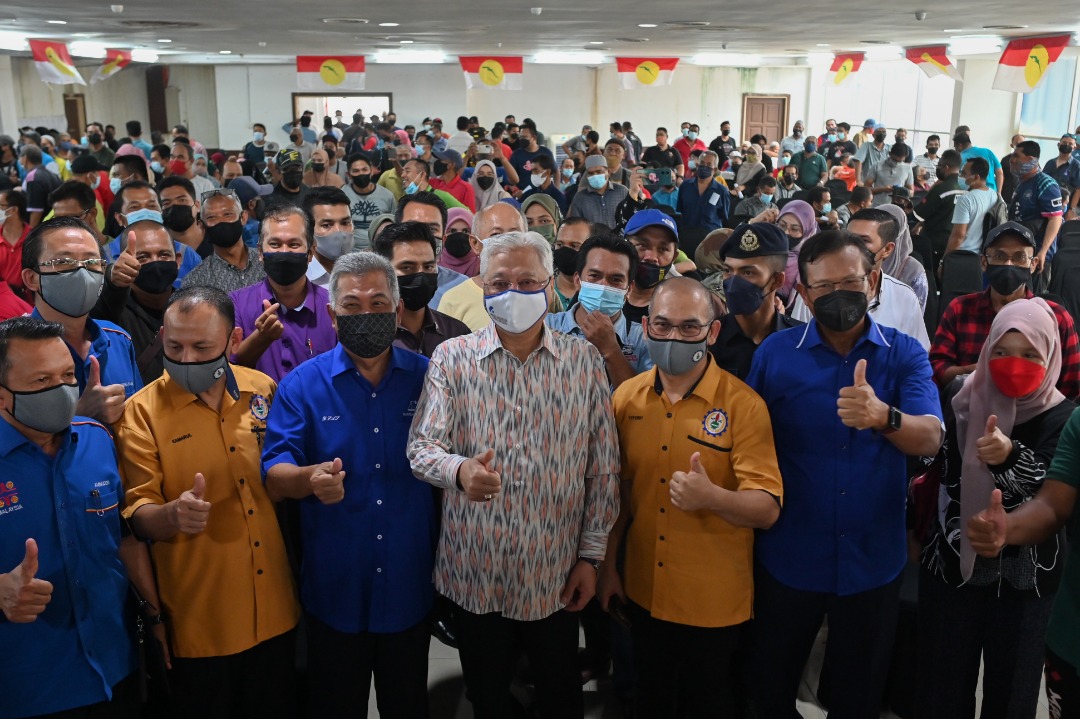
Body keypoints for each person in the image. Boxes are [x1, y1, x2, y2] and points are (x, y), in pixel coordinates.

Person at [408, 230, 619, 719]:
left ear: (550, 286)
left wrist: (591, 558)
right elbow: (420, 449)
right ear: (483, 286)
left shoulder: (583, 361)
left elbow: (603, 469)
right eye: (500, 282)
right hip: (475, 571)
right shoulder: (452, 358)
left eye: (527, 282)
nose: (512, 293)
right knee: (488, 698)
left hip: (554, 573)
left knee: (559, 696)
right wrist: (459, 470)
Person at [746, 230, 944, 719]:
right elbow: (747, 444)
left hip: (872, 558)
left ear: (873, 281)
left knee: (858, 696)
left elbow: (931, 438)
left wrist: (884, 416)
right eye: (824, 287)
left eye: (851, 282)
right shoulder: (775, 354)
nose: (839, 295)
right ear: (805, 293)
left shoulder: (903, 353)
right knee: (770, 686)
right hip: (790, 554)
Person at [261, 250, 436, 717]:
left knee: (408, 705)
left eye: (378, 304)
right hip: (334, 588)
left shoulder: (430, 379)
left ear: (397, 311)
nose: (366, 314)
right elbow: (275, 474)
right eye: (352, 306)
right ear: (333, 315)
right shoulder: (301, 385)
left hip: (408, 584)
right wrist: (308, 479)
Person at [599, 277, 782, 717]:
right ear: (646, 327)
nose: (674, 338)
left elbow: (767, 509)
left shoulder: (743, 406)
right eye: (662, 325)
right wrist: (608, 568)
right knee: (651, 698)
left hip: (713, 602)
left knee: (708, 702)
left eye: (689, 327)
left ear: (712, 332)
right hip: (644, 589)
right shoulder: (626, 398)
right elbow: (619, 494)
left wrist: (713, 497)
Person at [117, 286, 301, 718]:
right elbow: (138, 516)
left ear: (234, 340)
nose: (187, 359)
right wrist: (172, 515)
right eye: (174, 347)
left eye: (202, 348)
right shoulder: (140, 414)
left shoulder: (263, 391)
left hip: (276, 609)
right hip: (200, 622)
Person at [918, 298, 1072, 719]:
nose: (1013, 363)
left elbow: (1050, 492)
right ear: (986, 349)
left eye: (1030, 355)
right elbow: (936, 470)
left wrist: (1008, 456)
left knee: (1012, 696)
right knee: (942, 688)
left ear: (1051, 356)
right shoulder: (960, 398)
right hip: (952, 567)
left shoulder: (1064, 417)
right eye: (1001, 351)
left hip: (1026, 582)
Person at [0, 316, 155, 719]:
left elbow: (124, 539)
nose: (62, 390)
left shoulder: (98, 439)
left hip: (116, 670)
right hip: (28, 686)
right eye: (41, 381)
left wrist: (155, 616)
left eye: (68, 376)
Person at [931, 222, 1080, 399]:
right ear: (984, 262)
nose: (1008, 264)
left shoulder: (1057, 318)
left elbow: (1071, 386)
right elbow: (937, 367)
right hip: (970, 407)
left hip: (1039, 413)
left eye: (1020, 257)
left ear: (1033, 264)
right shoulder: (959, 309)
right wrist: (978, 372)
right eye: (999, 256)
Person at [22, 217, 141, 424]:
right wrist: (77, 415)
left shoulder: (118, 339)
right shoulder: (11, 351)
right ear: (32, 279)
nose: (82, 272)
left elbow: (142, 418)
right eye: (63, 262)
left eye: (92, 262)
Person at [791, 207, 931, 347]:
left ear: (887, 249)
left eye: (863, 241)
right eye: (848, 238)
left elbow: (919, 351)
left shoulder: (904, 297)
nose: (851, 248)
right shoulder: (816, 288)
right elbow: (798, 341)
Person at [230, 205, 336, 381]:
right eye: (275, 244)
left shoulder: (333, 307)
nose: (284, 252)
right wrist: (261, 338)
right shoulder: (236, 303)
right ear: (260, 252)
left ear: (310, 252)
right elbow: (229, 371)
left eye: (294, 244)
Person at [546, 231, 651, 387]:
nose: (603, 286)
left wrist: (611, 350)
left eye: (616, 279)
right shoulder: (545, 327)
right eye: (594, 276)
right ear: (577, 281)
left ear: (629, 289)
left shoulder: (644, 340)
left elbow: (643, 399)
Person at [91, 219, 179, 384]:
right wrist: (112, 278)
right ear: (125, 262)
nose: (155, 262)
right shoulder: (111, 311)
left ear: (178, 260)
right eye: (143, 257)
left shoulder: (190, 308)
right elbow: (103, 304)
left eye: (164, 255)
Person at [711, 223, 804, 379]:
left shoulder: (801, 341)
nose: (733, 283)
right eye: (728, 271)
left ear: (777, 281)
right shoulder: (710, 339)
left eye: (748, 273)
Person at [375, 221, 470, 357]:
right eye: (407, 267)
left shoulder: (457, 333)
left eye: (428, 267)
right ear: (383, 272)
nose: (421, 275)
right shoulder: (371, 336)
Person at [436, 203, 526, 330]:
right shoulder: (453, 300)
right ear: (475, 243)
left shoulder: (539, 289)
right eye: (496, 235)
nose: (507, 242)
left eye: (514, 234)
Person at [181, 189, 266, 292]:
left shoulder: (268, 262)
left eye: (228, 214)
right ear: (202, 226)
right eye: (211, 217)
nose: (220, 221)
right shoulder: (195, 282)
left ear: (243, 217)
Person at [1009, 140, 1065, 281]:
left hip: (1037, 257)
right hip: (1021, 251)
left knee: (1034, 293)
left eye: (1016, 156)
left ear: (1030, 159)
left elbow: (1055, 219)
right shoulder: (1022, 182)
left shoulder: (1045, 184)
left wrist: (1043, 251)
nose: (1012, 160)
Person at [912, 149, 965, 264]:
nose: (938, 168)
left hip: (933, 243)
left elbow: (919, 214)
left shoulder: (941, 189)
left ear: (946, 167)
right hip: (952, 244)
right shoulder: (964, 189)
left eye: (939, 166)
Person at [341, 153, 396, 251]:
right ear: (348, 175)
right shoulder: (342, 194)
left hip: (380, 250)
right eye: (356, 171)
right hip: (348, 250)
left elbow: (394, 225)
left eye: (364, 169)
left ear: (371, 171)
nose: (361, 174)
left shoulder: (387, 195)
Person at [303, 186, 355, 289]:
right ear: (308, 229)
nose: (338, 231)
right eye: (326, 225)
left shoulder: (363, 272)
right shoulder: (300, 278)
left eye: (345, 223)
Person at [946, 157, 997, 255]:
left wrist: (945, 258)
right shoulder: (994, 195)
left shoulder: (965, 199)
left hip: (963, 255)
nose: (960, 177)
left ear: (976, 177)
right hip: (983, 255)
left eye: (964, 174)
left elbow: (958, 236)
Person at [568, 155, 631, 229]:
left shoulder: (622, 191)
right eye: (591, 173)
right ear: (586, 176)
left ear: (608, 172)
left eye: (599, 171)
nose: (595, 175)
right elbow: (576, 227)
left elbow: (631, 218)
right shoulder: (580, 198)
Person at [777, 199, 819, 303]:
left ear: (807, 232)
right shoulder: (766, 248)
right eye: (782, 225)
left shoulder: (812, 263)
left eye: (794, 229)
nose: (786, 232)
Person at [677, 151, 729, 233]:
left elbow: (724, 216)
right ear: (697, 165)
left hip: (711, 236)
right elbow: (680, 210)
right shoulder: (685, 186)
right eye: (702, 163)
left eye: (709, 164)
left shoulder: (722, 191)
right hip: (687, 234)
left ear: (715, 169)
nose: (704, 166)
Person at [551, 217, 591, 310]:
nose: (564, 251)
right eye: (560, 244)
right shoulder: (545, 293)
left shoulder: (597, 298)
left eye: (574, 246)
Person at [399, 159, 467, 210]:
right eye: (402, 172)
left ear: (422, 175)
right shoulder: (406, 199)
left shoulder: (441, 196)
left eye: (407, 171)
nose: (402, 175)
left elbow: (468, 215)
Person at [509, 120, 556, 192]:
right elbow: (511, 178)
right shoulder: (516, 154)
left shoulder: (546, 152)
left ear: (534, 137)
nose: (521, 139)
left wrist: (556, 188)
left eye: (524, 137)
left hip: (543, 193)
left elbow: (556, 171)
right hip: (523, 194)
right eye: (520, 137)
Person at [439, 207, 479, 278]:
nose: (460, 236)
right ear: (443, 235)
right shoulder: (432, 265)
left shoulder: (481, 267)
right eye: (452, 231)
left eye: (465, 231)